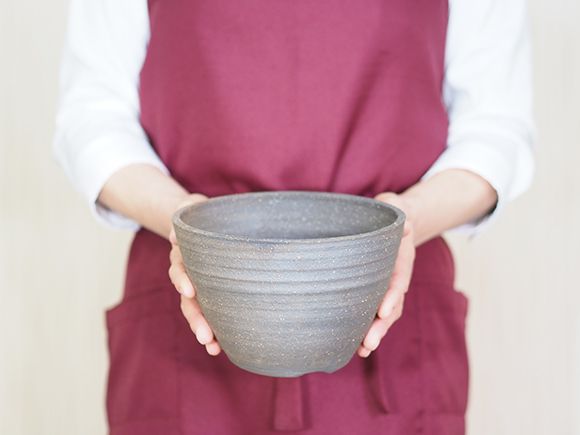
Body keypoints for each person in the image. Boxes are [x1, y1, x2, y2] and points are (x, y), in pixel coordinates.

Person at [54, 0, 534, 434]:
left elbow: (496, 129)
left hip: (390, 316)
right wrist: (186, 222)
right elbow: (93, 117)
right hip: (187, 312)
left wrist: (405, 222)